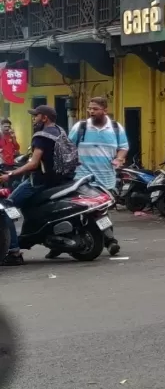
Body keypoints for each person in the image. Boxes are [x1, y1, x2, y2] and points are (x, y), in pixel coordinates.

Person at [0, 105, 70, 266]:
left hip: (38, 181)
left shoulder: (41, 136)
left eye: (36, 116)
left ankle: (13, 252)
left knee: (6, 208)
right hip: (59, 179)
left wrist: (10, 174)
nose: (34, 119)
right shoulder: (60, 131)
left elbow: (33, 164)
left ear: (44, 118)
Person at [71, 97, 128, 194]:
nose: (91, 111)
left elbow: (123, 147)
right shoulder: (80, 127)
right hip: (82, 180)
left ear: (105, 111)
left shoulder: (116, 128)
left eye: (95, 109)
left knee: (105, 209)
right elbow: (68, 146)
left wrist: (119, 159)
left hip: (107, 181)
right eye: (89, 108)